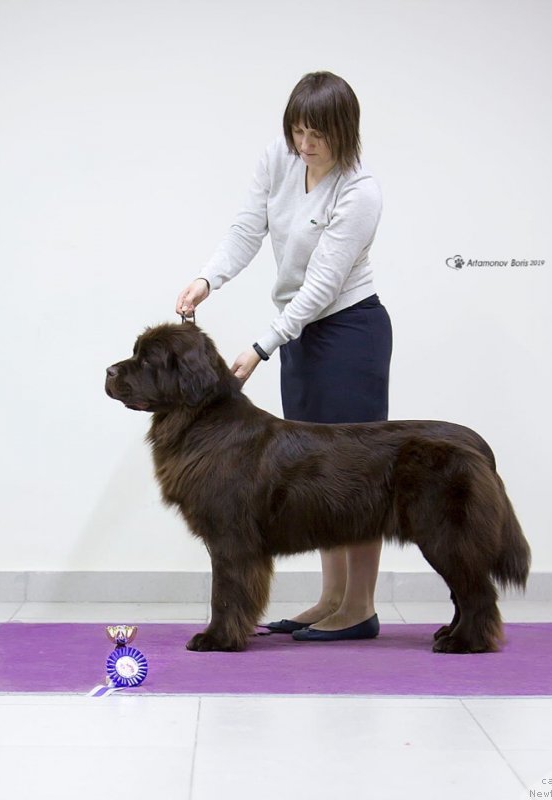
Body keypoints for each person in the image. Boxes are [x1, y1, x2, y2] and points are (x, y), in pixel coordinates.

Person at [175, 71, 392, 641]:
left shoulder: (359, 190)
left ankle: (360, 607)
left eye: (316, 134)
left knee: (358, 474)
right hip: (299, 333)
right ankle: (330, 597)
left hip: (348, 332)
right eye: (297, 130)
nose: (304, 144)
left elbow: (322, 285)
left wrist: (262, 345)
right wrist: (208, 279)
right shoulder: (280, 157)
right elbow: (248, 227)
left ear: (344, 131)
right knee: (319, 474)